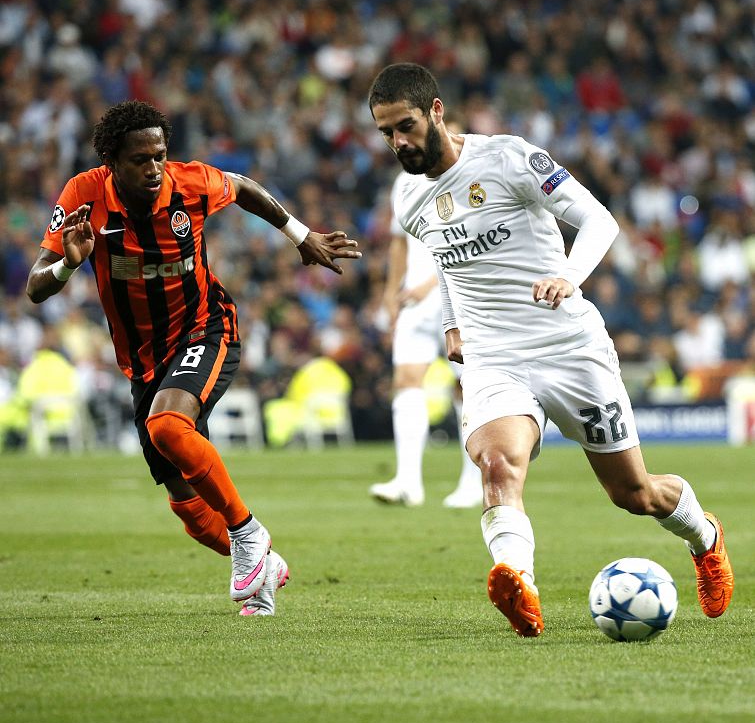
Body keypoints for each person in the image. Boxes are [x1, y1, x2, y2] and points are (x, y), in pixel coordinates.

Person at [367, 63, 734, 637]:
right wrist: (451, 325)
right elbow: (446, 262)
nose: (398, 142)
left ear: (435, 110)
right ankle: (519, 584)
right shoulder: (411, 200)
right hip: (494, 357)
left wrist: (569, 276)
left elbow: (597, 221)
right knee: (497, 464)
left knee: (634, 494)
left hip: (568, 345)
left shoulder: (509, 158)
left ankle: (705, 537)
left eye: (405, 126)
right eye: (386, 133)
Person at [26, 100, 361, 618]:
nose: (154, 168)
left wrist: (301, 235)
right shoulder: (84, 196)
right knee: (191, 513)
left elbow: (244, 187)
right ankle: (264, 571)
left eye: (160, 155)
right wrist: (69, 266)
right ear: (112, 162)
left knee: (166, 425)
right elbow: (34, 288)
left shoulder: (191, 183)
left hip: (207, 328)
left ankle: (249, 533)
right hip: (142, 360)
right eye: (140, 159)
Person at [370, 164, 482, 508]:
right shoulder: (403, 181)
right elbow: (399, 242)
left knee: (468, 385)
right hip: (412, 300)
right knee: (406, 379)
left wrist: (428, 284)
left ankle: (473, 481)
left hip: (458, 295)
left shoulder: (464, 174)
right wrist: (391, 293)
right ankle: (408, 482)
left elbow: (470, 240)